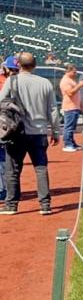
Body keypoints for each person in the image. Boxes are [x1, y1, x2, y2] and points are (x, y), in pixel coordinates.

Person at [0, 53, 60, 216]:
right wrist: (55, 131)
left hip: (17, 132)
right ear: (35, 65)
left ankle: (11, 205)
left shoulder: (12, 81)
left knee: (12, 170)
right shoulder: (45, 83)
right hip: (39, 132)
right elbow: (53, 110)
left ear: (19, 64)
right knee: (41, 168)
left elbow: (0, 101)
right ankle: (45, 205)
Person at [0, 56, 19, 202]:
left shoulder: (7, 81)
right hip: (16, 124)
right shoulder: (20, 80)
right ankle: (10, 189)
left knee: (4, 159)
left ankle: (5, 190)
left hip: (6, 124)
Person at [59, 63, 83, 152]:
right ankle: (67, 144)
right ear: (68, 71)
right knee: (69, 127)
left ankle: (72, 143)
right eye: (74, 72)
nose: (76, 74)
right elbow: (70, 93)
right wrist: (80, 85)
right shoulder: (65, 81)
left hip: (75, 106)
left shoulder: (71, 80)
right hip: (69, 107)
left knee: (72, 127)